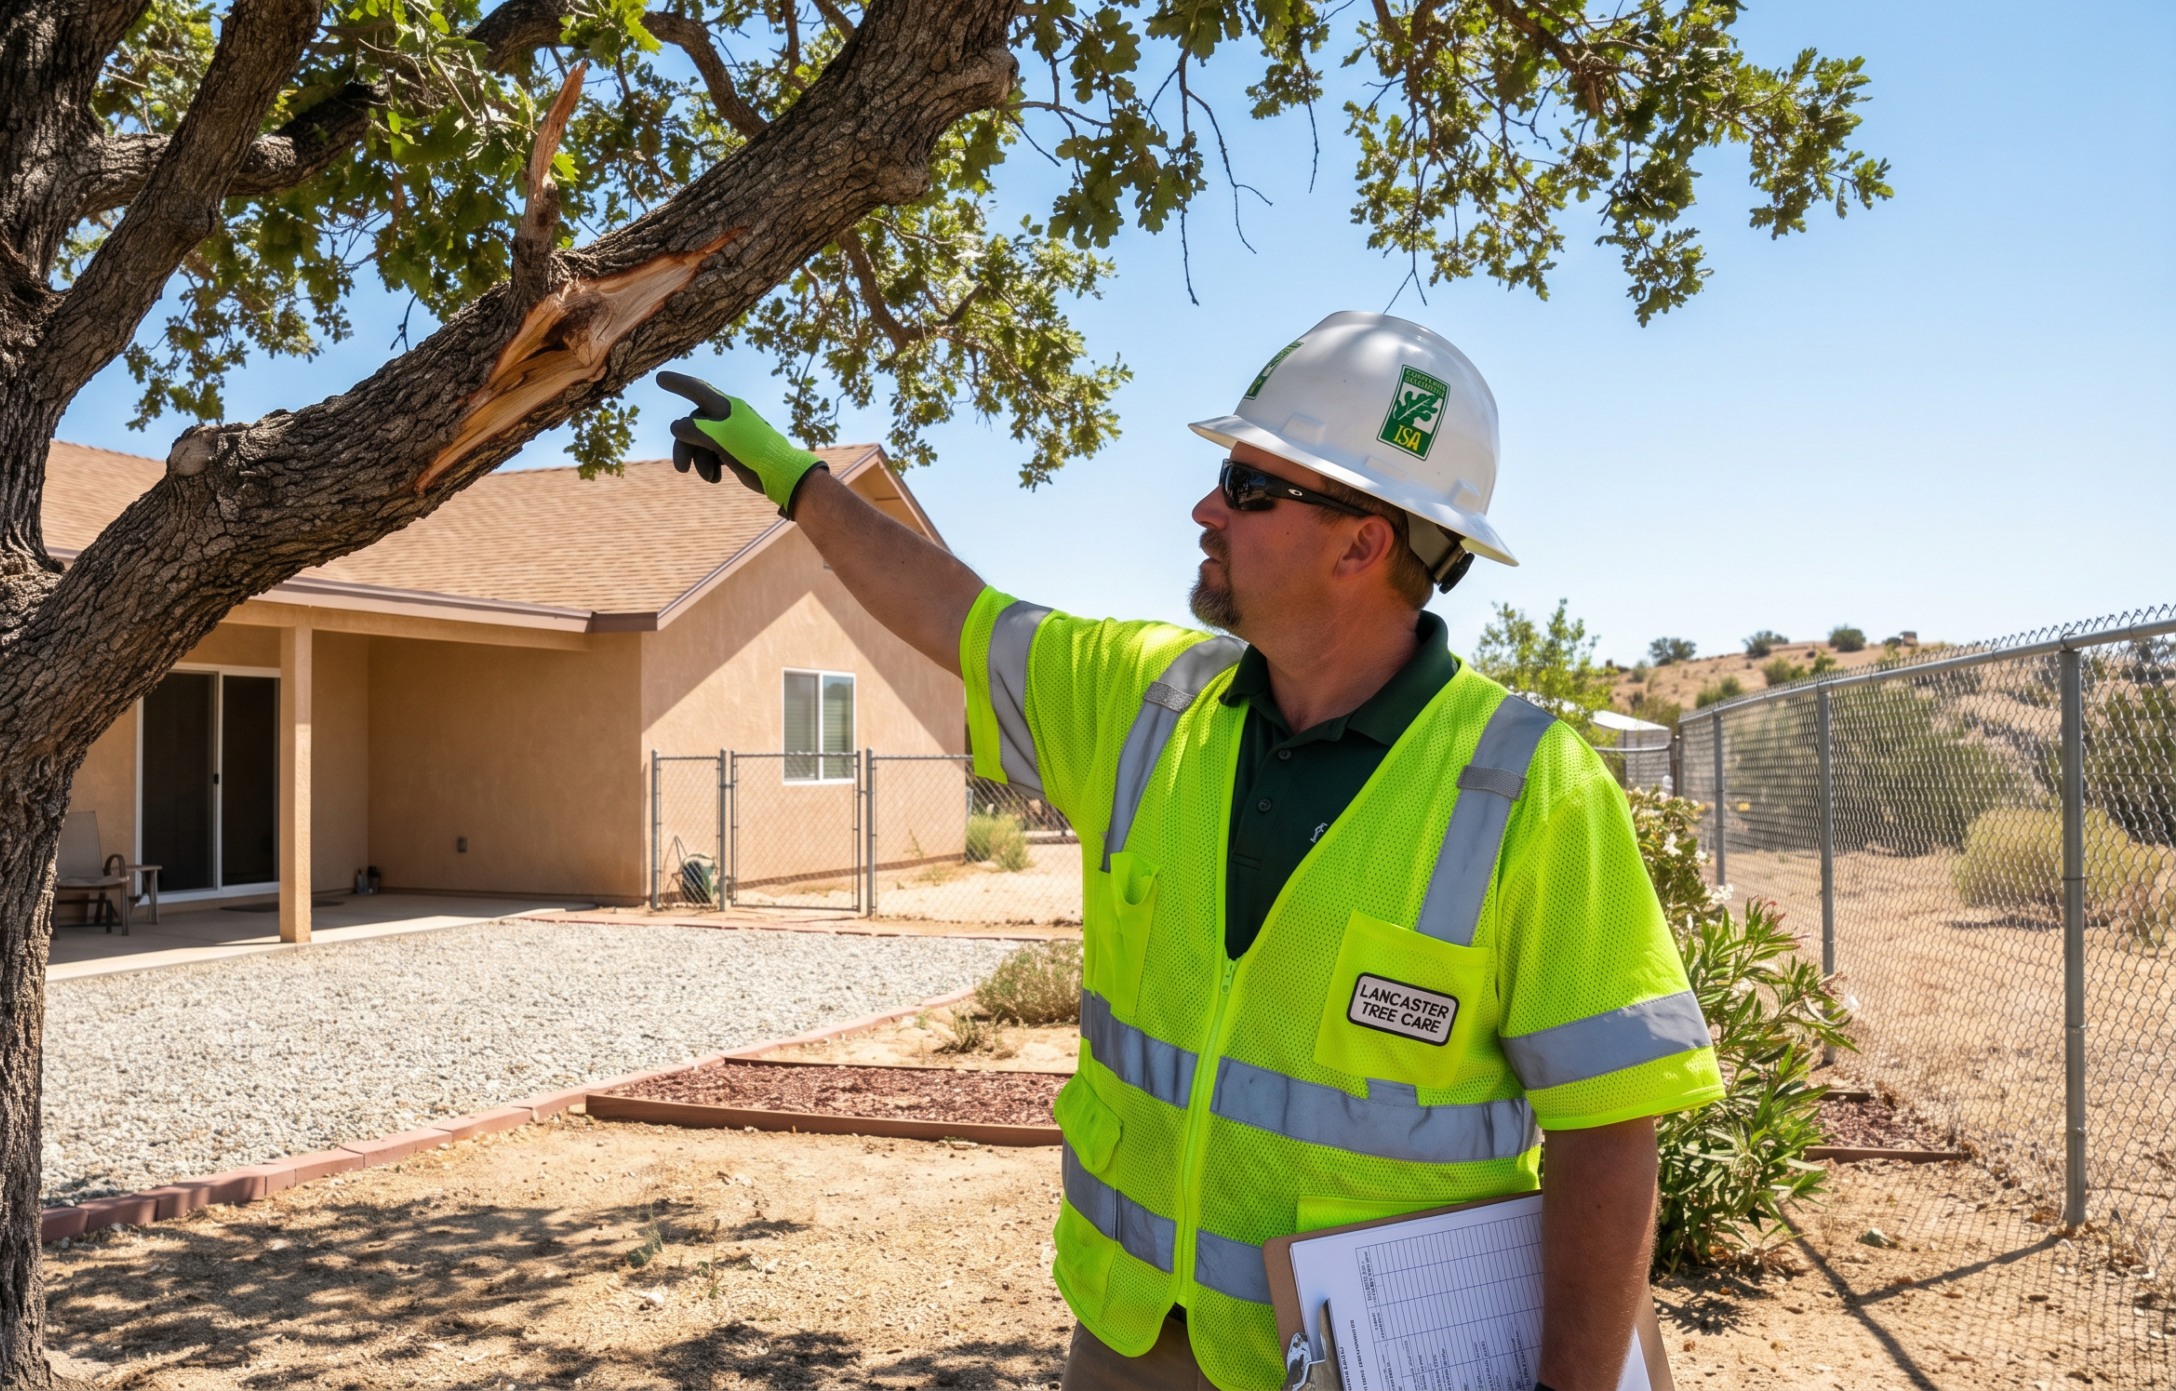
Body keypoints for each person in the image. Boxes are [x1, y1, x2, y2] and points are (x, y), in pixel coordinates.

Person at [656, 312, 1723, 1391]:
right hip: (1131, 1345)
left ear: (1363, 543)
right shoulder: (1148, 700)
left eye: (1252, 489)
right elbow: (957, 613)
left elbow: (1607, 1131)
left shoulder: (1530, 788)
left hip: (1379, 1372)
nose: (1206, 508)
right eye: (1227, 474)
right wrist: (797, 480)